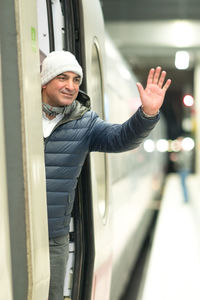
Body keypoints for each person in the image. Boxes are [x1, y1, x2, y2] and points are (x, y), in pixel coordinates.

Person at [41, 50, 171, 300]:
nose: (70, 86)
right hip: (14, 228)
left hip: (53, 237)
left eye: (76, 80)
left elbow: (121, 138)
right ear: (45, 80)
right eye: (62, 78)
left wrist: (147, 114)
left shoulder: (84, 122)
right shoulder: (19, 115)